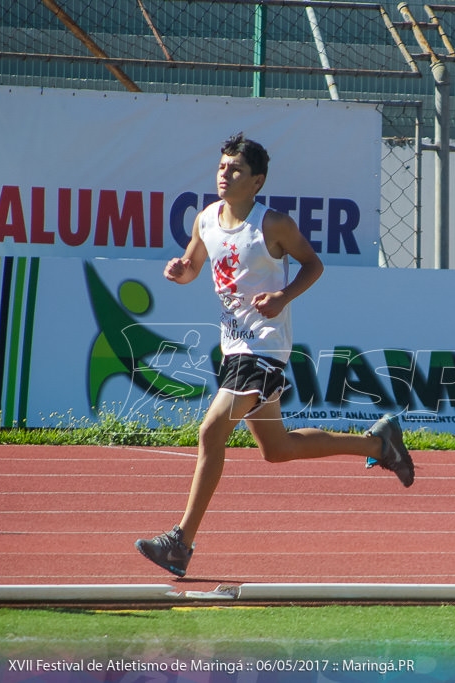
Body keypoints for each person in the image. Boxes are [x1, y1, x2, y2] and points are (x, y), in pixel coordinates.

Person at [135, 132, 414, 578]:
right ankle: (379, 443)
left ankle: (180, 543)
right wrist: (178, 271)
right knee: (277, 449)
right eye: (223, 167)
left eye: (236, 170)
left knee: (210, 433)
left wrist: (282, 297)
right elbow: (192, 266)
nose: (225, 175)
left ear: (257, 181)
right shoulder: (206, 219)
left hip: (263, 347)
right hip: (232, 346)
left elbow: (313, 264)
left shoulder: (273, 225)